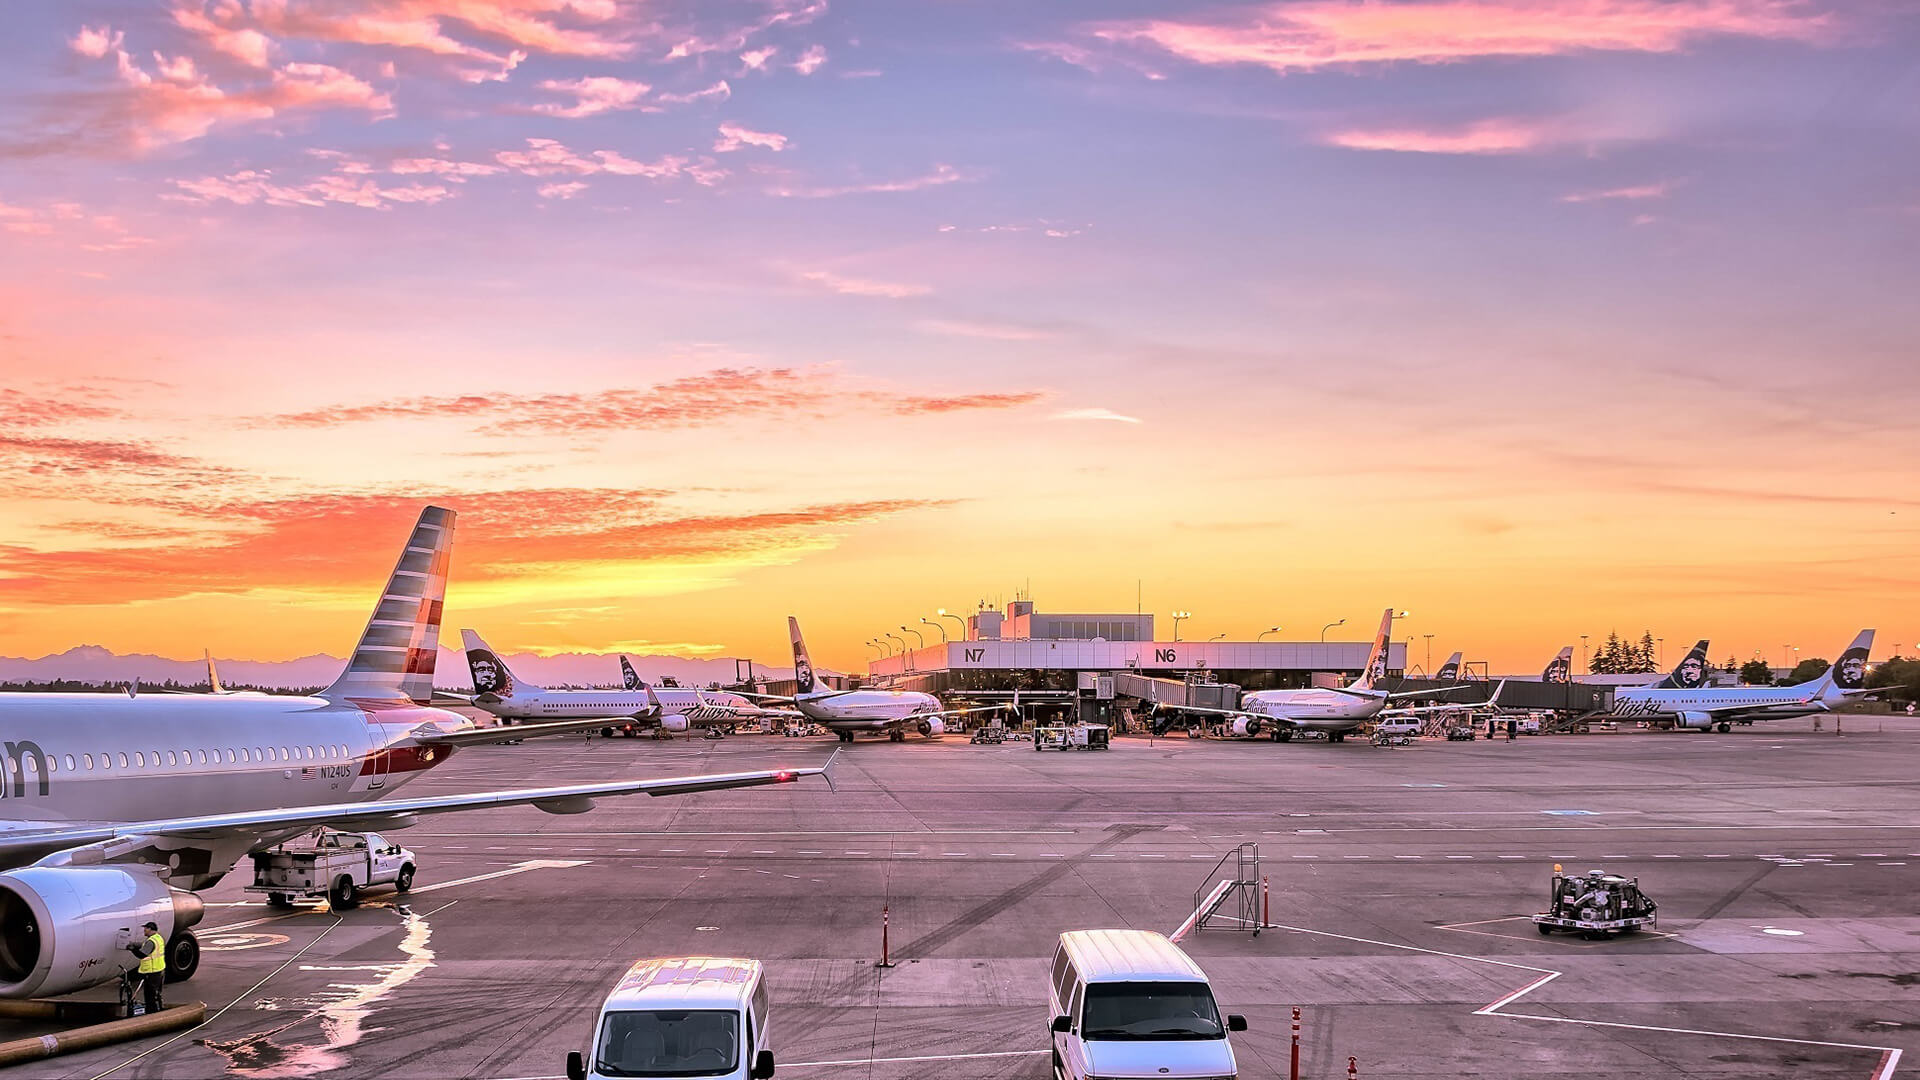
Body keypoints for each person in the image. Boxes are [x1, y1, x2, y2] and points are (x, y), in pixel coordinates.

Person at [127, 920, 165, 1015]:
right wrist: (135, 944)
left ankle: (152, 1014)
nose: (144, 930)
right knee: (156, 994)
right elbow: (144, 945)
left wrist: (133, 950)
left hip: (152, 972)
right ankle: (159, 1010)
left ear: (150, 929)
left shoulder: (151, 942)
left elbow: (142, 954)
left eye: (146, 928)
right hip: (159, 970)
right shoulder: (158, 938)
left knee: (150, 996)